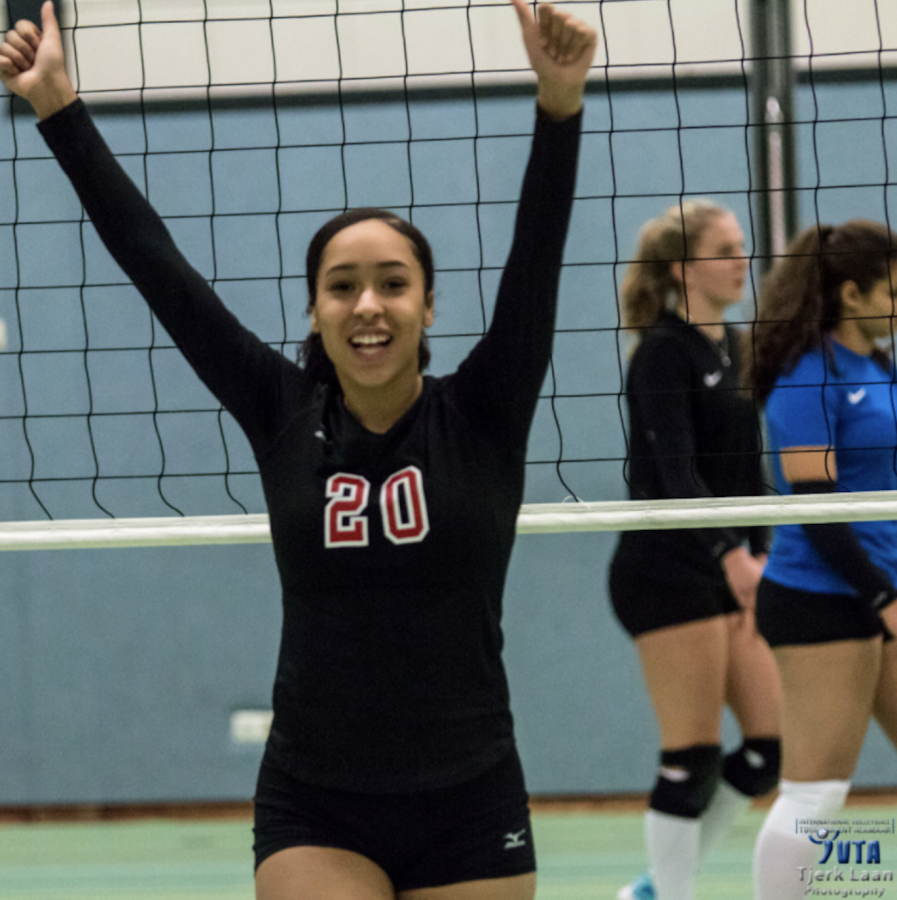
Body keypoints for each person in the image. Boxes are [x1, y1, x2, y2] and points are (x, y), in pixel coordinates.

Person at [0, 3, 597, 898]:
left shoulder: (484, 410)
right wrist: (58, 108)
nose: (367, 306)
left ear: (427, 306)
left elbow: (536, 260)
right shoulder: (281, 408)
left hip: (471, 796)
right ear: (315, 309)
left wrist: (560, 105)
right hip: (316, 802)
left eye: (392, 284)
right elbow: (155, 264)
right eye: (342, 286)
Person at [609, 200, 782, 900]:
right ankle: (669, 895)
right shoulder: (661, 351)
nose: (740, 260)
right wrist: (729, 554)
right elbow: (676, 473)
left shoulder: (737, 346)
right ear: (683, 269)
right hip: (663, 569)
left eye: (742, 246)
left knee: (766, 752)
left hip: (726, 568)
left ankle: (655, 885)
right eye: (724, 249)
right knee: (693, 753)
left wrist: (762, 552)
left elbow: (748, 471)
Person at [749, 221, 897, 900]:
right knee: (816, 790)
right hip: (820, 597)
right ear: (849, 292)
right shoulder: (808, 373)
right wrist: (880, 596)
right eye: (892, 290)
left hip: (876, 589)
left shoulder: (879, 366)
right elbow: (814, 500)